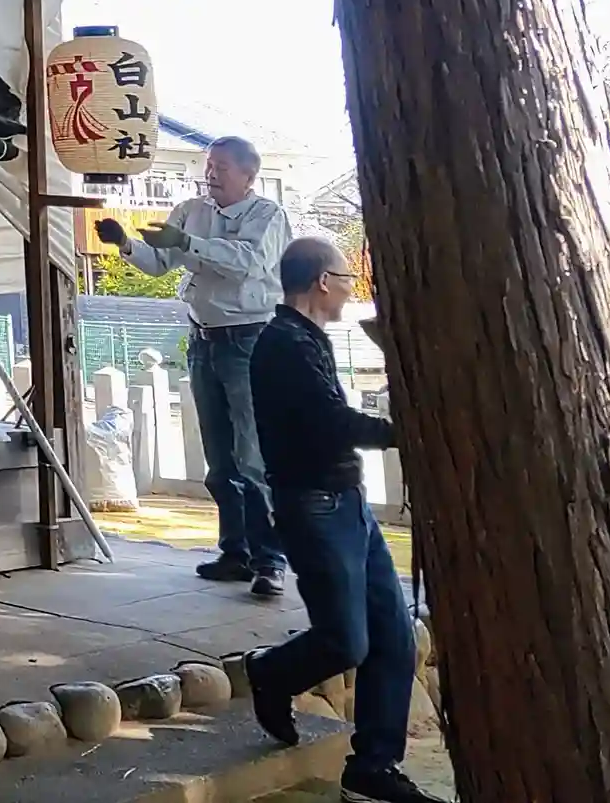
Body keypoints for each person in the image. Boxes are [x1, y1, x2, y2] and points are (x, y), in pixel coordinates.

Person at [245, 236, 428, 803]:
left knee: (394, 639)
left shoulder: (306, 338)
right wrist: (404, 432)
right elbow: (330, 423)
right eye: (347, 279)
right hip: (313, 506)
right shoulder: (283, 344)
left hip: (348, 503)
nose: (351, 289)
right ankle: (272, 673)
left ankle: (373, 768)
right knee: (347, 641)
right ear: (323, 281)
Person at [96, 135, 289, 597]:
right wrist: (125, 242)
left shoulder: (267, 215)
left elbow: (247, 263)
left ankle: (270, 560)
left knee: (252, 456)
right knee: (219, 457)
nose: (211, 174)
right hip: (203, 338)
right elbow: (161, 262)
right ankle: (234, 552)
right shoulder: (190, 210)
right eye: (209, 165)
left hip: (251, 339)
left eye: (222, 167)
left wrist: (187, 242)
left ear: (249, 175)